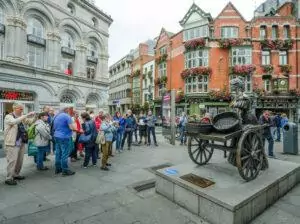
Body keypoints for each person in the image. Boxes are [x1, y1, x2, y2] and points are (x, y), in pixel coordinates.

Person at [4, 103, 35, 185]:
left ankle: (16, 174)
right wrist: (27, 115)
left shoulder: (21, 116)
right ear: (15, 108)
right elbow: (14, 122)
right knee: (12, 161)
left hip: (21, 141)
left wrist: (36, 117)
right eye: (21, 109)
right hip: (12, 142)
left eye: (22, 109)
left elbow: (30, 122)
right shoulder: (8, 116)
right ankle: (9, 178)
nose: (22, 110)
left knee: (20, 160)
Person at [53, 106, 77, 176]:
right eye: (69, 110)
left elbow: (54, 127)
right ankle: (65, 170)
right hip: (64, 137)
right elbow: (71, 127)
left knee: (58, 153)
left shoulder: (56, 116)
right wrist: (76, 129)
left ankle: (58, 169)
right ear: (66, 110)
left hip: (56, 136)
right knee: (65, 154)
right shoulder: (67, 116)